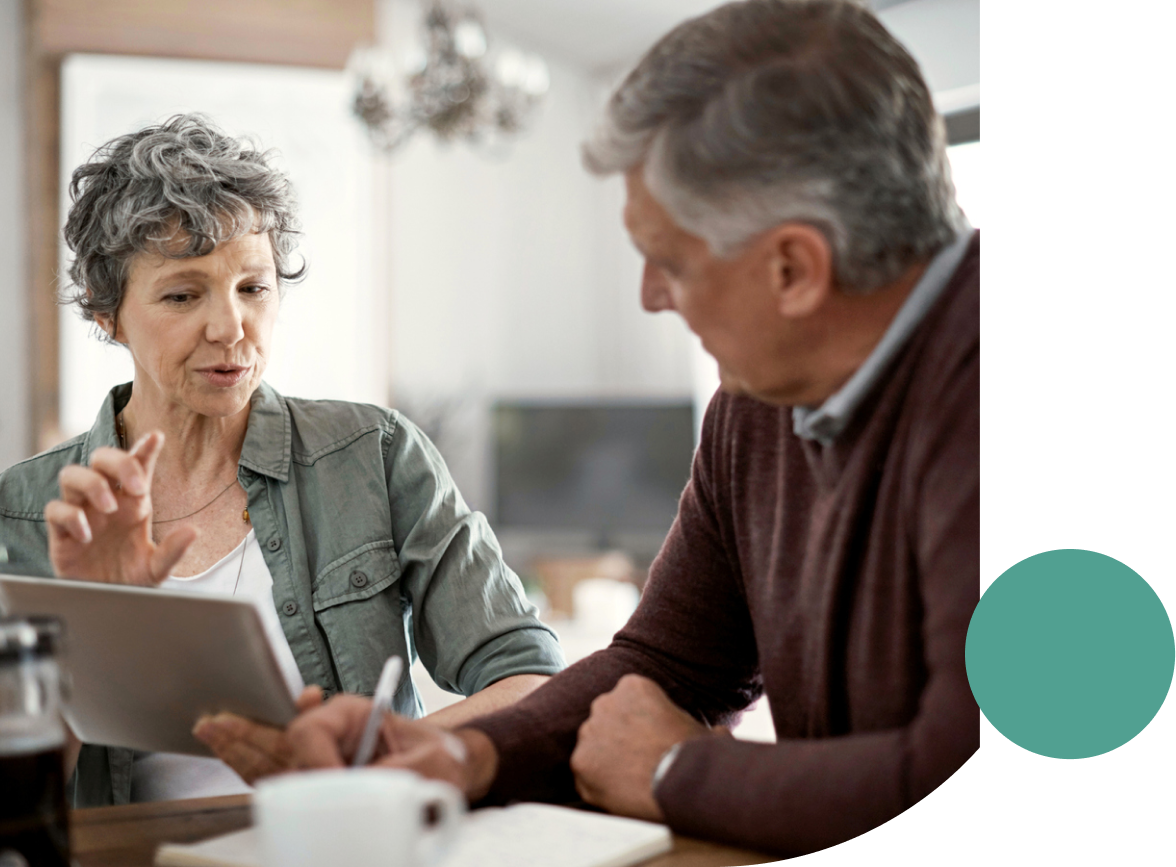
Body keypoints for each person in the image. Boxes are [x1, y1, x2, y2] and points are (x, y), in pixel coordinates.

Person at [283, 1, 996, 862]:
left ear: (793, 269)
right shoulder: (761, 399)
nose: (650, 296)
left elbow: (978, 791)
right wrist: (464, 754)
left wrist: (673, 772)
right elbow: (668, 662)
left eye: (671, 260)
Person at [0, 114, 564, 808]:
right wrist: (93, 626)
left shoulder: (374, 454)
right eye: (183, 294)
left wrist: (369, 763)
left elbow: (533, 678)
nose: (229, 327)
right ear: (107, 312)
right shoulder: (19, 512)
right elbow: (3, 796)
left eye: (252, 287)